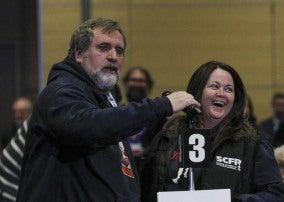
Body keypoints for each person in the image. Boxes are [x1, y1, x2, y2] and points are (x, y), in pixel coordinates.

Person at [16, 17, 199, 201]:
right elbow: (90, 126)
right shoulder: (61, 91)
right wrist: (162, 105)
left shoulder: (102, 96)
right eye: (103, 47)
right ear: (79, 54)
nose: (113, 56)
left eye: (119, 51)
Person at [141, 61, 284, 202]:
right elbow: (144, 189)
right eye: (214, 86)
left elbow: (276, 195)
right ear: (197, 91)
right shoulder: (168, 136)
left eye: (229, 89)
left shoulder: (251, 142)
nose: (221, 93)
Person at [0, 118, 29, 201]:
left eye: (21, 112)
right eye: (16, 112)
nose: (18, 116)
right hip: (8, 189)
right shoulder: (10, 130)